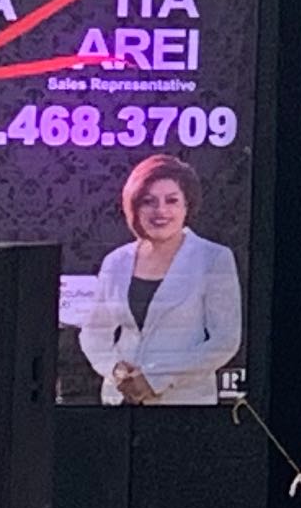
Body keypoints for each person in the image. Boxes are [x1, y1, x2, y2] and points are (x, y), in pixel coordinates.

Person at [78, 152, 243, 405]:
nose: (160, 211)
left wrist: (154, 378)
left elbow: (224, 341)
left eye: (171, 200)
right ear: (134, 206)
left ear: (186, 206)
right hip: (121, 400)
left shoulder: (213, 258)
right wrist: (116, 371)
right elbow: (94, 333)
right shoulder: (115, 261)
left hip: (184, 404)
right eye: (149, 201)